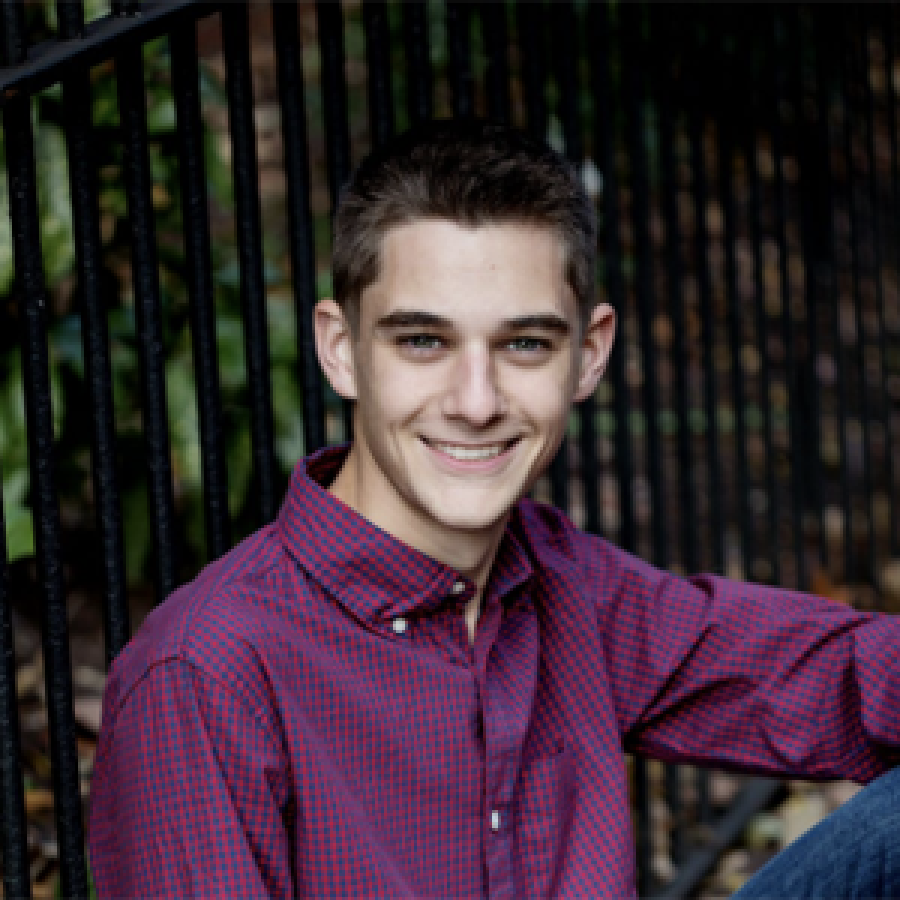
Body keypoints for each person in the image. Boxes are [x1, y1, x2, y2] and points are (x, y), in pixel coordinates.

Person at [88, 119, 899, 899]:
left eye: (523, 345)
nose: (475, 403)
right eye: (422, 342)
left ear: (588, 355)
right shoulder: (202, 678)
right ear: (341, 349)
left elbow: (834, 677)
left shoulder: (562, 582)